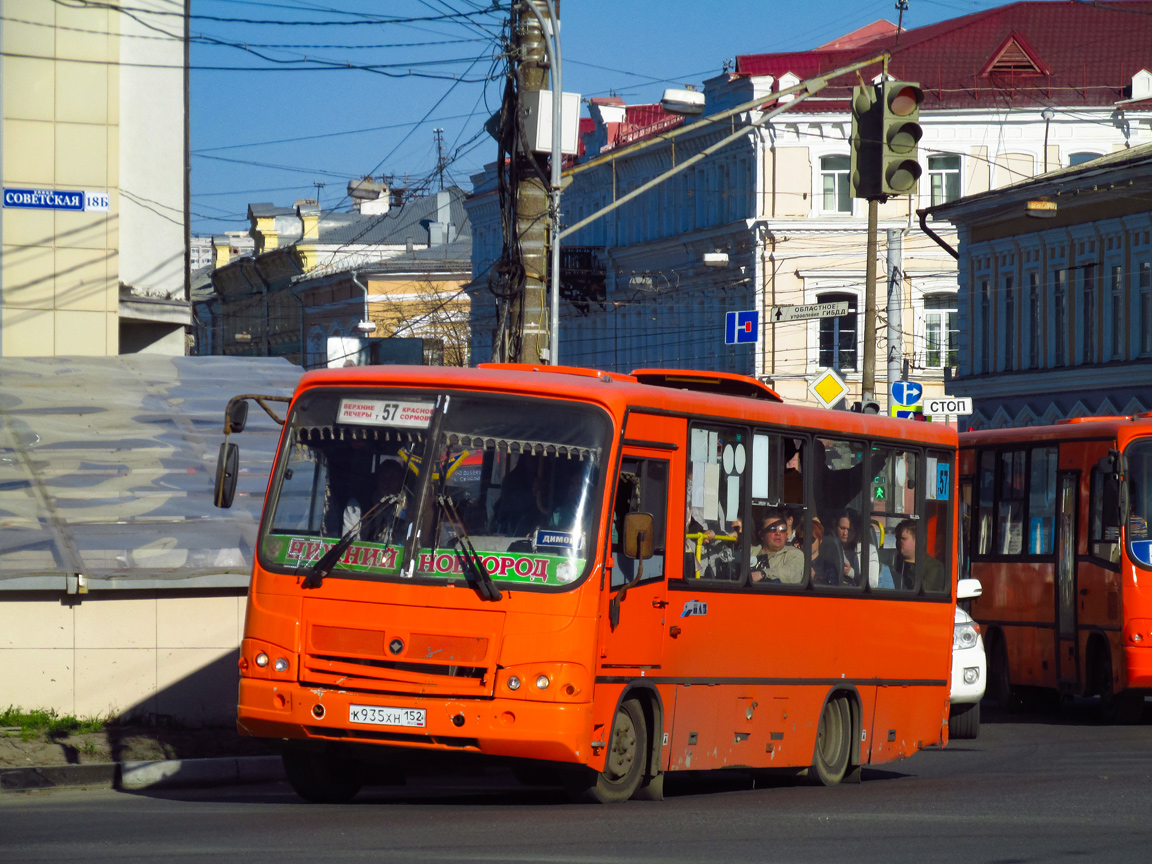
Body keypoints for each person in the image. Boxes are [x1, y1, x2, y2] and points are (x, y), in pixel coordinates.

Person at [891, 519, 947, 592]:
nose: (899, 542)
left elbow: (920, 594)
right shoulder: (892, 563)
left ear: (918, 540)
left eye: (903, 539)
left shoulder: (935, 567)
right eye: (897, 538)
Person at [750, 510, 804, 584]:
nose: (778, 533)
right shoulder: (749, 552)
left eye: (782, 530)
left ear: (786, 535)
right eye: (772, 529)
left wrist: (763, 574)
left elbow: (793, 574)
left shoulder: (795, 554)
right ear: (761, 534)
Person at [796, 517, 838, 586]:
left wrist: (813, 580)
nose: (807, 543)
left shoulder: (828, 568)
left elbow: (832, 591)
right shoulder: (792, 563)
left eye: (811, 539)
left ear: (820, 540)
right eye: (802, 540)